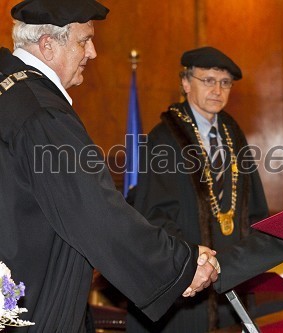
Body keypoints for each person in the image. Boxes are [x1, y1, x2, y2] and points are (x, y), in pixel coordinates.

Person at [0, 1, 219, 332]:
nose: (93, 52)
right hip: (34, 305)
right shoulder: (43, 114)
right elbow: (94, 213)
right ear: (48, 45)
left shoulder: (10, 93)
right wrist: (180, 266)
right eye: (83, 40)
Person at [126, 46, 276, 332]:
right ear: (185, 83)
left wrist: (253, 252)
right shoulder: (165, 138)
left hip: (232, 274)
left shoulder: (233, 134)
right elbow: (154, 214)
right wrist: (195, 258)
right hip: (186, 277)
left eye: (225, 82)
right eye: (208, 80)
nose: (217, 90)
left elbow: (253, 206)